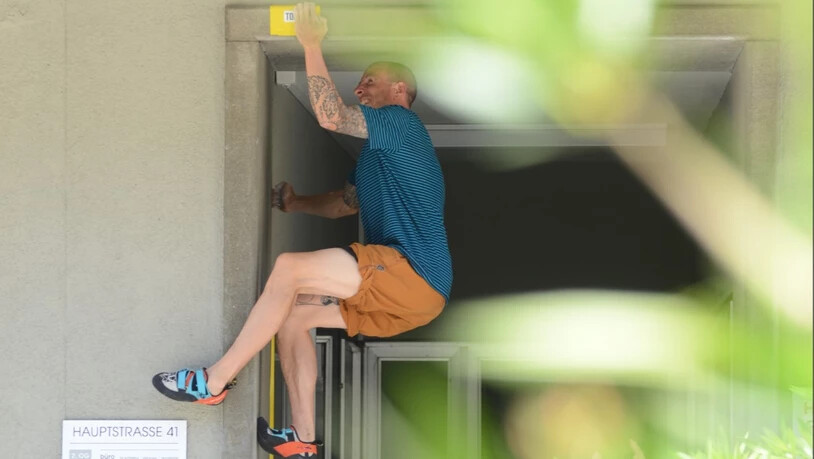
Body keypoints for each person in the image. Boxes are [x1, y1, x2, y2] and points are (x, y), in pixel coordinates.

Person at [152, 3, 452, 457]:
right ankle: (303, 442)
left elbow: (331, 116)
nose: (360, 86)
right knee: (294, 316)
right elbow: (341, 204)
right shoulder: (375, 158)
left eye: (370, 79)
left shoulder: (403, 124)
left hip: (415, 274)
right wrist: (294, 204)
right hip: (405, 297)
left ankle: (212, 382)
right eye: (360, 80)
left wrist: (310, 42)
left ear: (400, 88)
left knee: (290, 269)